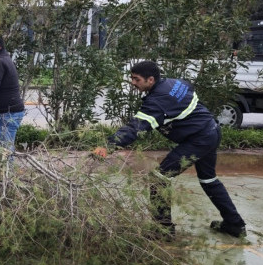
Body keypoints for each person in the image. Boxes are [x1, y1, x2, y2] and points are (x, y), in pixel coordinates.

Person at [93, 61, 246, 239]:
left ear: (150, 80)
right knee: (208, 179)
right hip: (211, 130)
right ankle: (235, 225)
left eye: (136, 79)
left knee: (159, 179)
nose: (133, 83)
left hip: (199, 139)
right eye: (132, 78)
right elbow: (189, 87)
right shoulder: (174, 83)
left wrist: (108, 146)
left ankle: (163, 230)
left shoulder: (157, 101)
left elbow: (136, 128)